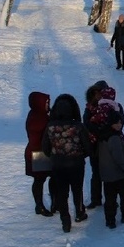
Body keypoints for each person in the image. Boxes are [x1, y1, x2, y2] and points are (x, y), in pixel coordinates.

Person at [41, 94, 92, 233]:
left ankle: (65, 219)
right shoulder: (78, 126)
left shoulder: (50, 127)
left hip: (58, 165)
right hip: (76, 164)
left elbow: (45, 148)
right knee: (77, 190)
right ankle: (80, 212)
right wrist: (80, 155)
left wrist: (54, 156)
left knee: (62, 193)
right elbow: (88, 147)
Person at [96, 106, 124, 229]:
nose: (120, 125)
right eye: (117, 122)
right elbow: (119, 157)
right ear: (112, 123)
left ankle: (110, 220)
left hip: (106, 174)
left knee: (110, 198)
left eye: (121, 122)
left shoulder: (102, 135)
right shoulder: (115, 138)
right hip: (118, 173)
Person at [83, 80, 111, 210]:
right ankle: (96, 199)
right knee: (96, 173)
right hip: (94, 145)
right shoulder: (89, 108)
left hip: (107, 144)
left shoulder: (112, 106)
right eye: (96, 93)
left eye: (100, 92)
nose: (98, 95)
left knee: (110, 173)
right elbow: (87, 125)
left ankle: (110, 199)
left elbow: (118, 122)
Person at [25, 91, 53, 217]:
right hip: (39, 153)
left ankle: (45, 204)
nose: (48, 105)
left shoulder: (39, 115)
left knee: (42, 179)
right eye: (46, 102)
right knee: (40, 180)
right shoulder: (38, 118)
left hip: (39, 152)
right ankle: (40, 205)